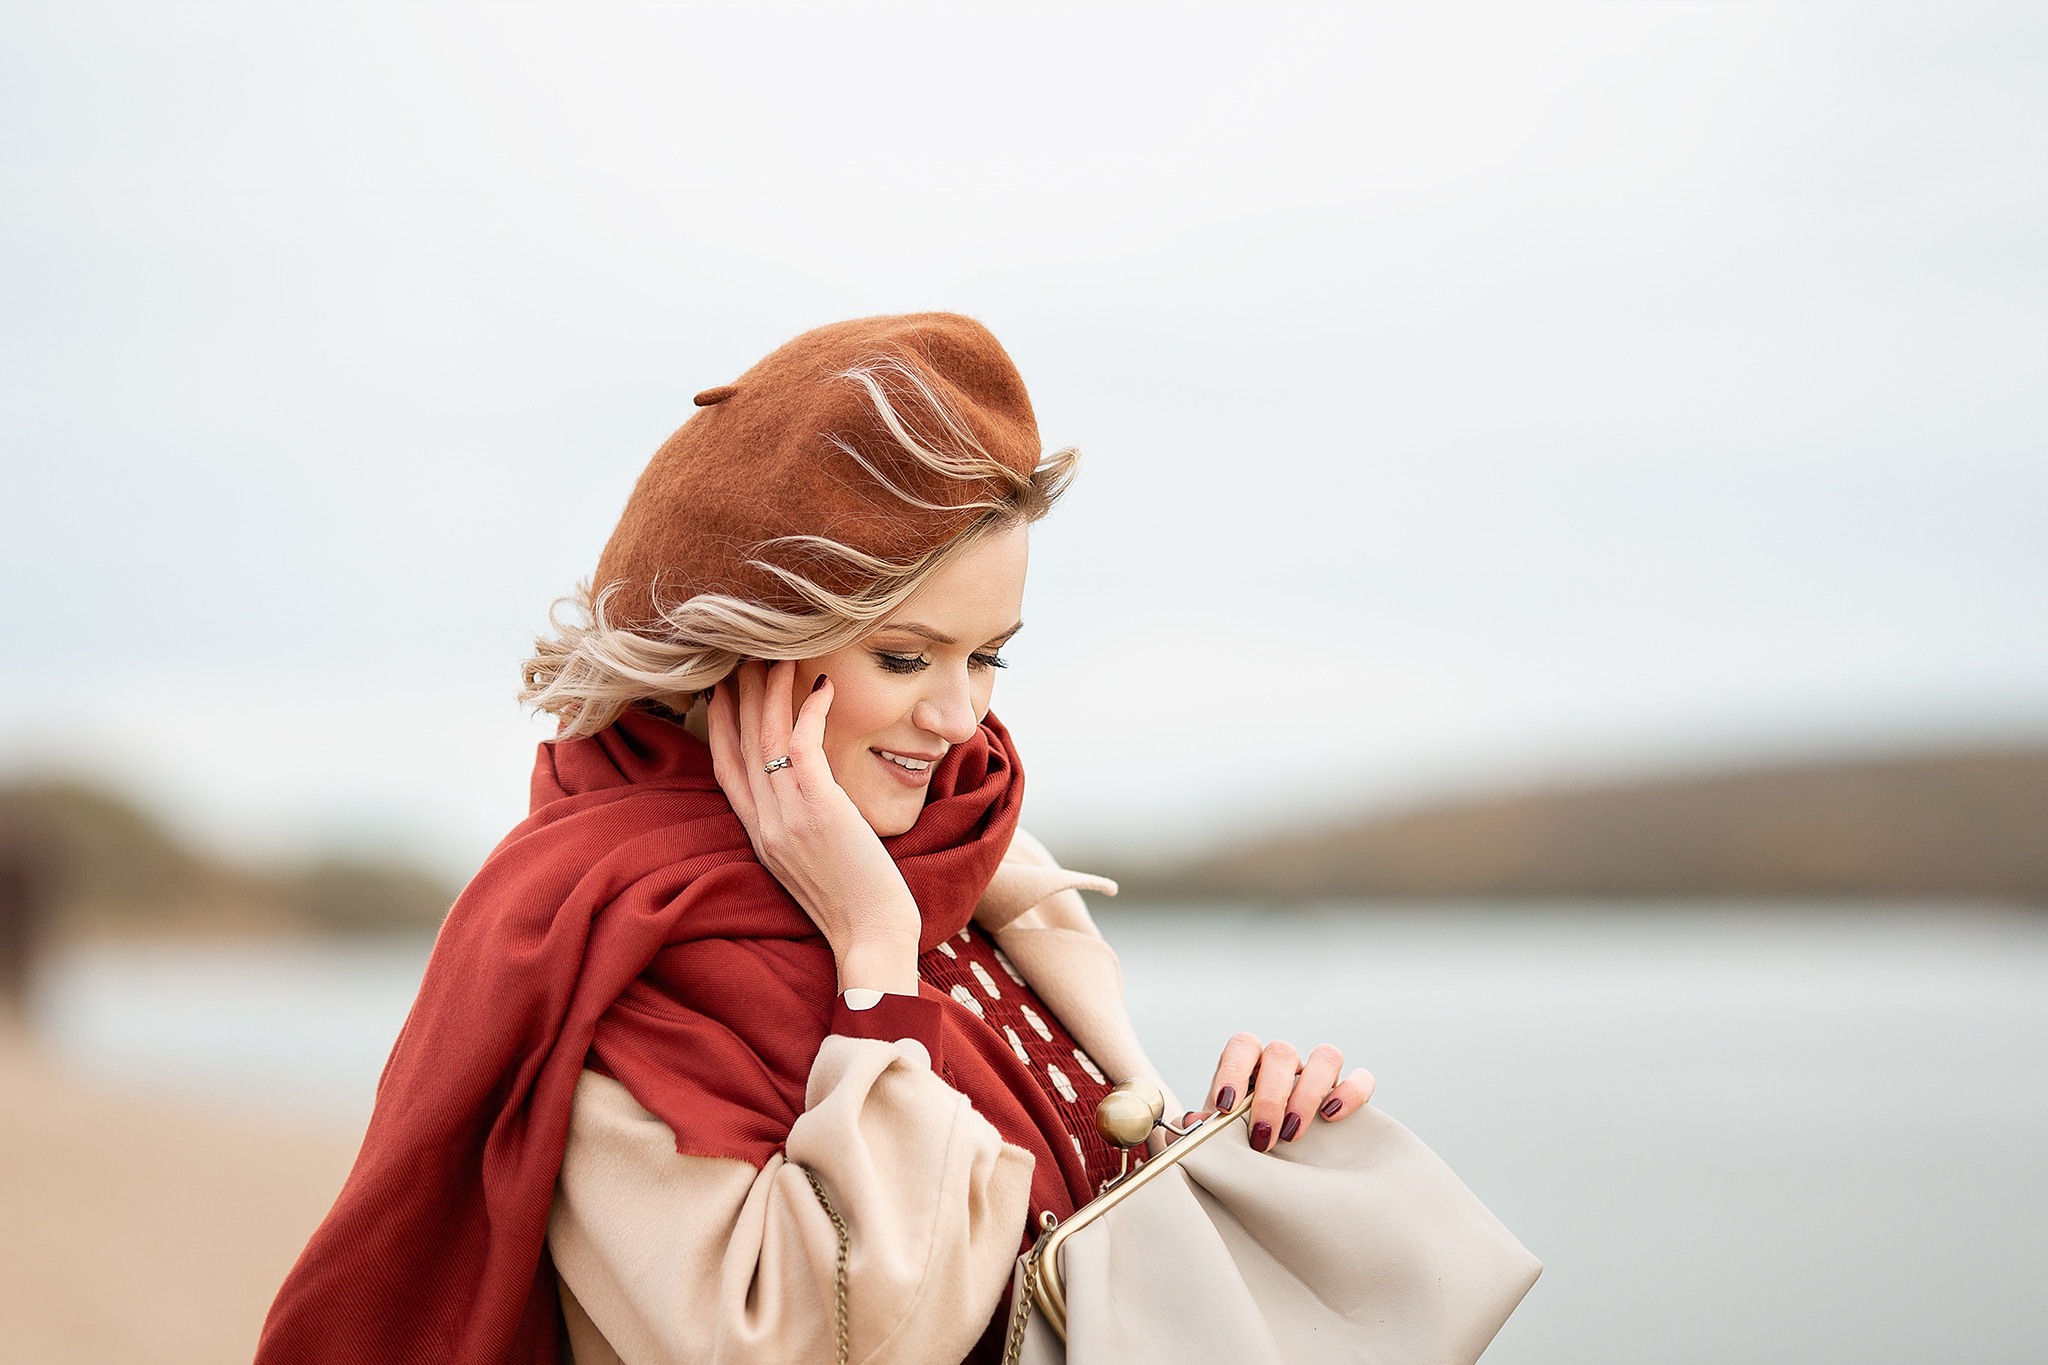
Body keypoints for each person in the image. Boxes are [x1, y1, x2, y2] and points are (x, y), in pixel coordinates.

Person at [256, 314, 1375, 1365]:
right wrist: (876, 959)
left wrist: (1229, 1139)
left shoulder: (985, 865)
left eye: (989, 655)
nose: (962, 719)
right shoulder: (606, 957)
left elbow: (1078, 1260)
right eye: (905, 656)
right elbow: (813, 1338)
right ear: (747, 644)